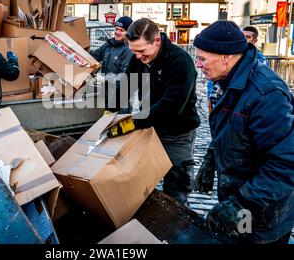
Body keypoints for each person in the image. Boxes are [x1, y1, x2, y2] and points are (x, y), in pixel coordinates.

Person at [193, 20, 294, 244]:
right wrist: (212, 155)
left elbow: (285, 164)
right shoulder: (230, 80)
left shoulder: (266, 94)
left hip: (264, 213)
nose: (198, 64)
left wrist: (241, 204)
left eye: (202, 59)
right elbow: (233, 129)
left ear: (225, 57)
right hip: (241, 200)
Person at [107, 18, 200, 205]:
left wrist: (133, 122)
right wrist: (109, 113)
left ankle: (177, 227)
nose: (139, 56)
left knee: (176, 188)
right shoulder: (138, 59)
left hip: (177, 133)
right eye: (134, 51)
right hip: (149, 130)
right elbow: (126, 86)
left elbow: (170, 106)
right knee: (142, 183)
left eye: (142, 51)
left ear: (157, 41)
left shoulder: (180, 62)